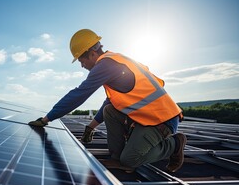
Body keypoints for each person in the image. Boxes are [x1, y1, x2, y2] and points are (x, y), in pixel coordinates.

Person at [29, 29, 187, 173]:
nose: (82, 66)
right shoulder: (113, 60)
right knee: (109, 110)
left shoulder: (106, 65)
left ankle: (175, 144)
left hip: (162, 120)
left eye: (81, 61)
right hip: (148, 117)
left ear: (91, 53)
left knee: (131, 160)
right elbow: (111, 102)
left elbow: (79, 94)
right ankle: (116, 158)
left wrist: (46, 119)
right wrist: (90, 127)